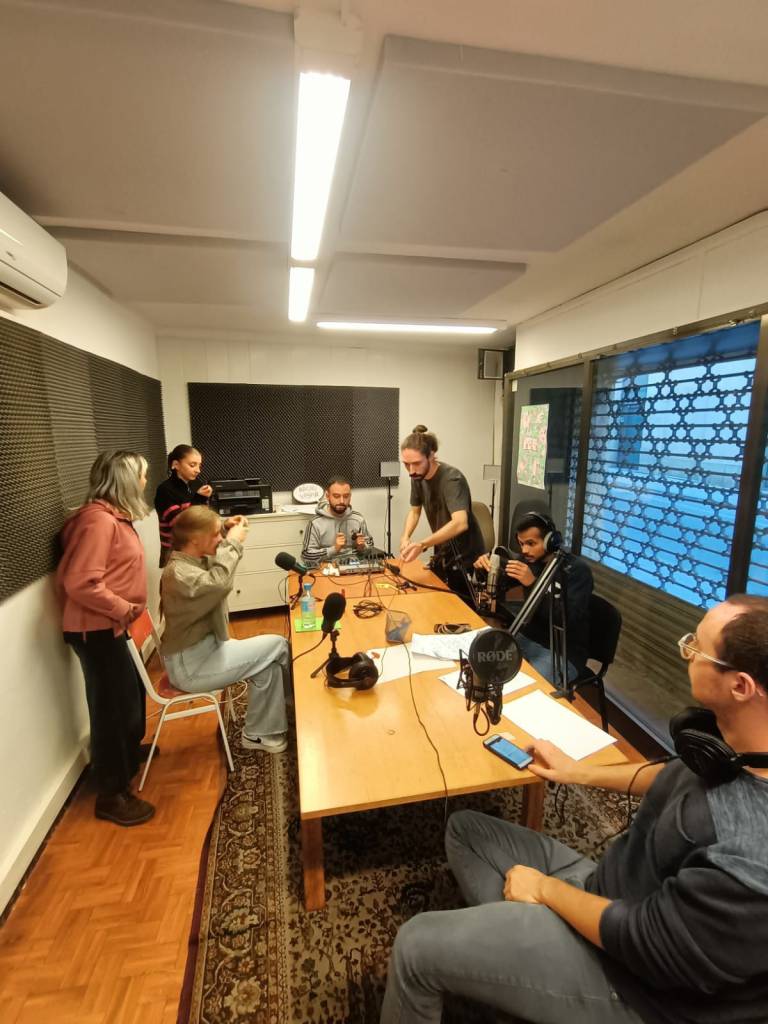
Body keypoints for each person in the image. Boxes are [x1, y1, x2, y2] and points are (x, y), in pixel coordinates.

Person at [381, 594, 768, 1024]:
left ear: (740, 686)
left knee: (415, 947)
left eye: (696, 647)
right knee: (466, 830)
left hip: (633, 982)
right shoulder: (728, 752)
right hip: (604, 887)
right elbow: (674, 775)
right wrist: (578, 772)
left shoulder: (753, 851)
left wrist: (546, 891)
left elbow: (644, 939)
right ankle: (520, 952)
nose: (687, 652)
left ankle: (527, 954)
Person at [56, 450, 155, 827]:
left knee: (131, 696)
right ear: (126, 480)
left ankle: (127, 756)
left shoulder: (113, 517)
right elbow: (81, 583)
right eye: (142, 475)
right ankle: (112, 794)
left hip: (111, 626)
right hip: (96, 630)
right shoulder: (98, 521)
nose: (145, 481)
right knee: (112, 709)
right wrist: (124, 608)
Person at [161, 506, 289, 752]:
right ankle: (294, 703)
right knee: (279, 645)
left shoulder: (193, 559)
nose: (219, 539)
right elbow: (219, 582)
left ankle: (259, 734)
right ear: (195, 539)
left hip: (208, 651)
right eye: (214, 535)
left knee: (270, 668)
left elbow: (217, 565)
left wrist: (223, 528)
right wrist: (233, 543)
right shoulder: (179, 574)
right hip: (191, 668)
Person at [475, 510, 593, 683]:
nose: (525, 550)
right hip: (525, 637)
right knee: (483, 667)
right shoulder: (529, 561)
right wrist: (484, 568)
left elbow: (566, 620)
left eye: (531, 543)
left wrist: (532, 584)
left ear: (551, 541)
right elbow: (501, 586)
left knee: (524, 687)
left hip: (562, 652)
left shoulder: (577, 571)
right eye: (521, 543)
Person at [399, 425, 485, 597]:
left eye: (416, 463)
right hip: (443, 550)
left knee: (462, 606)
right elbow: (415, 511)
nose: (411, 471)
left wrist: (422, 544)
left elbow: (460, 523)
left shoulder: (452, 479)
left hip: (465, 554)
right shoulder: (417, 477)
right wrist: (405, 537)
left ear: (431, 455)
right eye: (406, 465)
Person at [154, 444, 213, 567]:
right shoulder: (165, 490)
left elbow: (203, 517)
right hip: (175, 552)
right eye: (192, 465)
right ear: (176, 464)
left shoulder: (196, 484)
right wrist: (199, 499)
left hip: (196, 547)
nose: (198, 470)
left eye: (199, 465)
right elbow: (179, 524)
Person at [301, 476, 371, 565]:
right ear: (327, 496)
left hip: (354, 567)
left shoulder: (358, 519)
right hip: (326, 569)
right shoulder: (315, 523)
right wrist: (334, 549)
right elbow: (306, 556)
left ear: (350, 496)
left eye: (346, 496)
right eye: (336, 496)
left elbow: (370, 547)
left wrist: (362, 547)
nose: (342, 501)